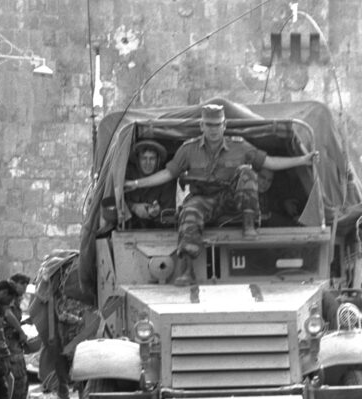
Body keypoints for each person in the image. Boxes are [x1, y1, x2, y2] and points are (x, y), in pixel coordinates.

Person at [123, 103, 319, 283]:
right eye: (209, 125)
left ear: (224, 126)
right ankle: (187, 269)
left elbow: (269, 162)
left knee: (247, 172)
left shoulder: (239, 146)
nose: (213, 130)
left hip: (232, 200)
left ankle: (249, 223)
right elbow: (168, 173)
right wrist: (137, 183)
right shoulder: (188, 150)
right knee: (190, 210)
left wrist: (303, 160)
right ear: (202, 126)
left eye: (217, 125)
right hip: (204, 200)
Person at [3, 273, 37, 399]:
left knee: (22, 378)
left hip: (15, 344)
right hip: (9, 345)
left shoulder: (16, 300)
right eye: (21, 283)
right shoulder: (8, 298)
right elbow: (7, 315)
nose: (24, 287)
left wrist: (23, 323)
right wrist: (21, 331)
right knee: (17, 378)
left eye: (25, 283)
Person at [124, 140, 179, 228]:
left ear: (158, 161)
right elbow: (115, 201)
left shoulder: (166, 180)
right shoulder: (127, 175)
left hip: (156, 230)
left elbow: (168, 215)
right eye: (144, 158)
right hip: (128, 227)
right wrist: (133, 207)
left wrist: (157, 213)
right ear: (137, 160)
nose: (148, 163)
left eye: (152, 159)